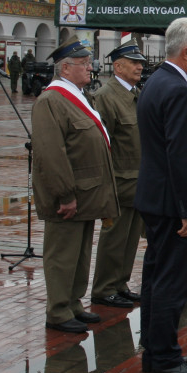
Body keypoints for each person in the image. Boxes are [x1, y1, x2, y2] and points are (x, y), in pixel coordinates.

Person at [134, 17, 187, 373]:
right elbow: (180, 155)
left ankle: (153, 352)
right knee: (171, 283)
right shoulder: (176, 90)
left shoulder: (157, 81)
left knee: (154, 278)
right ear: (185, 51)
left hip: (155, 198)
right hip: (173, 205)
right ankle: (165, 357)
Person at [31, 35, 119, 334]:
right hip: (69, 195)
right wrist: (64, 194)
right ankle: (57, 310)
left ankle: (73, 304)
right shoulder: (51, 101)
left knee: (80, 254)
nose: (89, 69)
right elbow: (51, 153)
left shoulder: (81, 96)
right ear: (65, 69)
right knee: (62, 255)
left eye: (88, 63)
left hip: (86, 192)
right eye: (83, 64)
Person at [89, 43, 148, 310]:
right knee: (114, 237)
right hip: (118, 181)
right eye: (133, 63)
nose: (139, 67)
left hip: (138, 179)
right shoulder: (105, 96)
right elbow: (102, 144)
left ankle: (120, 284)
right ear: (117, 66)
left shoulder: (137, 94)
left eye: (140, 63)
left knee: (131, 236)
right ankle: (104, 288)